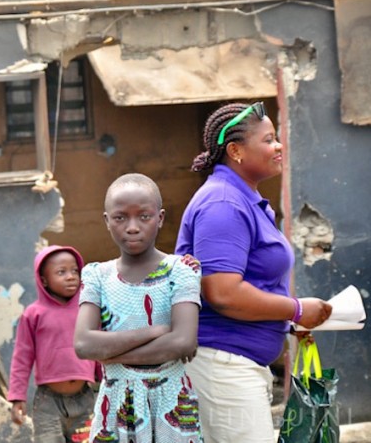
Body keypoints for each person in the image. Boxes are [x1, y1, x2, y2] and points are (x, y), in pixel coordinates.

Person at [175, 101, 333, 443]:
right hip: (223, 365)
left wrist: (287, 322)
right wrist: (296, 309)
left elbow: (253, 282)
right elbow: (223, 293)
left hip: (240, 365)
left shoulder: (244, 199)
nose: (278, 146)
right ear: (236, 151)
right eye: (268, 139)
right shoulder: (223, 204)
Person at [74, 173, 203, 443]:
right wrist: (156, 331)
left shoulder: (181, 272)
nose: (132, 227)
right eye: (120, 217)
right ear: (107, 221)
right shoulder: (97, 276)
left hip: (170, 403)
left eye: (144, 216)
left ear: (160, 218)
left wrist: (110, 354)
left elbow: (182, 342)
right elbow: (84, 344)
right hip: (116, 405)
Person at [7, 245, 97, 443]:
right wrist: (17, 396)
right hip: (48, 402)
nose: (71, 276)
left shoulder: (87, 308)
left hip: (85, 399)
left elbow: (97, 343)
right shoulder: (33, 314)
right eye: (61, 272)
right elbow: (22, 356)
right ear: (44, 281)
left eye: (75, 271)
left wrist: (105, 379)